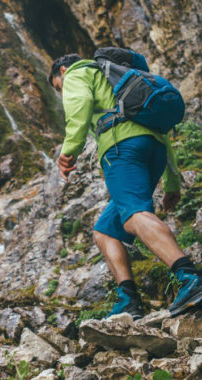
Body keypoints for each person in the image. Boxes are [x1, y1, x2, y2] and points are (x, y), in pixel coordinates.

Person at [48, 53, 202, 319]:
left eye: (59, 87)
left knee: (133, 216)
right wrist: (172, 182)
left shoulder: (77, 72)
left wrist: (69, 149)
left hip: (121, 147)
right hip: (152, 149)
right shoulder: (116, 83)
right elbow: (161, 134)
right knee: (105, 231)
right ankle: (128, 300)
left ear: (63, 70)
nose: (63, 93)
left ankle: (189, 277)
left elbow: (80, 104)